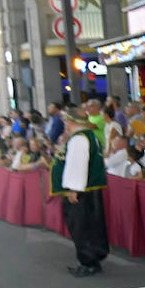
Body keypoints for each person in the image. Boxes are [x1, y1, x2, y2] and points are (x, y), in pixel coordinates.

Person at [52, 107, 108, 277]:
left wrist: (73, 189)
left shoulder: (79, 140)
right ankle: (92, 258)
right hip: (88, 189)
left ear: (71, 121)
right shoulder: (88, 137)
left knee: (82, 226)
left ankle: (88, 261)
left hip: (81, 191)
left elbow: (78, 165)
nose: (65, 125)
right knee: (90, 224)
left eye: (66, 121)